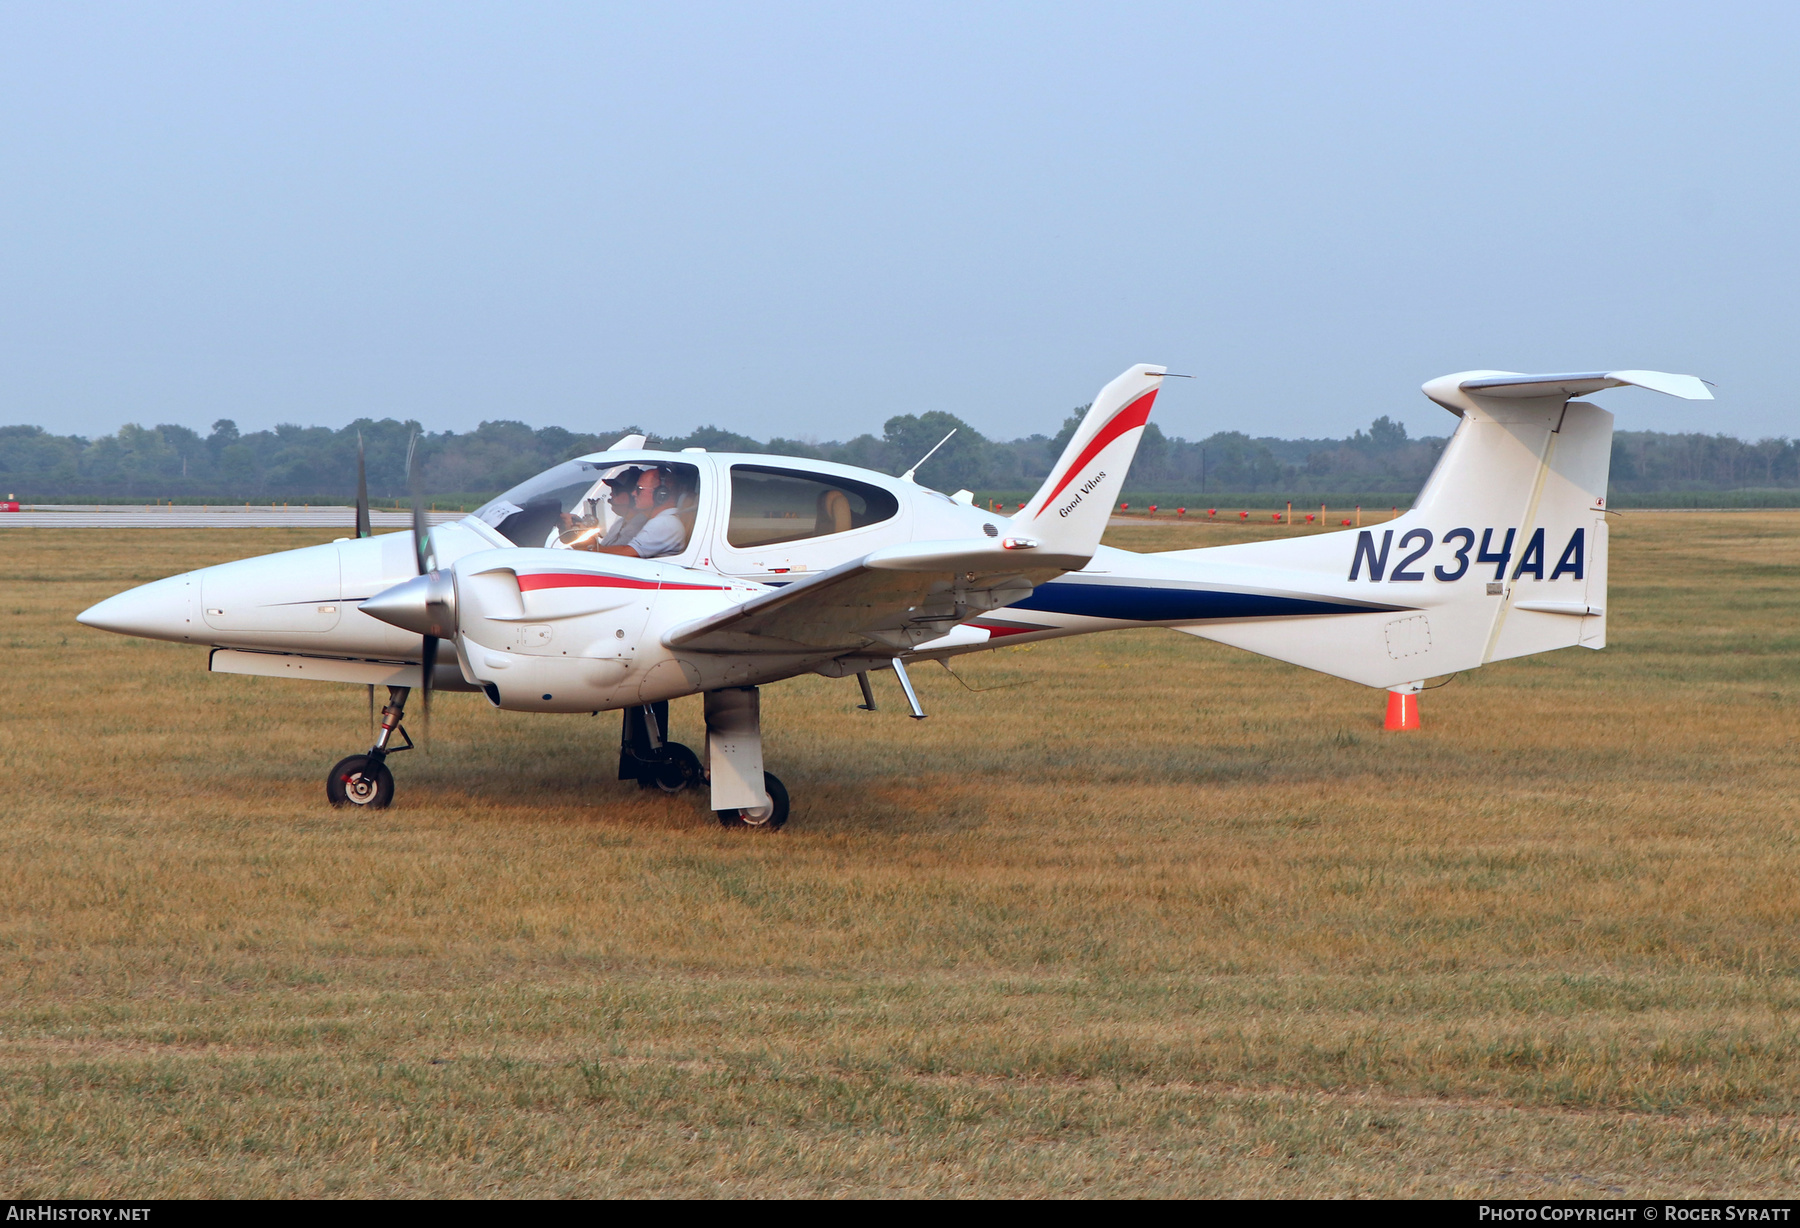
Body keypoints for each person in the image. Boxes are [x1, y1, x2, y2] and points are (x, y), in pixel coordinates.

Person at [593, 466, 689, 559]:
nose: (633, 493)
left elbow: (626, 553)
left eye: (639, 489)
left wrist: (589, 548)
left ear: (661, 494)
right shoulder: (663, 520)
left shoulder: (665, 523)